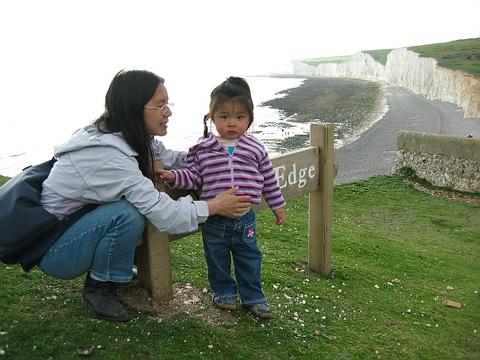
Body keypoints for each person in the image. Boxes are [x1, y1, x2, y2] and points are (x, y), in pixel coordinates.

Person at [38, 70, 252, 322]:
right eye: (160, 106)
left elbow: (172, 159)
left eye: (168, 104)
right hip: (55, 250)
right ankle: (98, 289)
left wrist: (225, 157)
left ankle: (112, 273)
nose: (168, 112)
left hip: (74, 230)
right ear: (134, 109)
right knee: (128, 213)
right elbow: (164, 214)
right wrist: (213, 206)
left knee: (128, 210)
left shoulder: (128, 136)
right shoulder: (110, 156)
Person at [157, 77, 285, 319]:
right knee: (217, 260)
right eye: (224, 116)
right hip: (215, 219)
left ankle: (254, 297)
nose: (232, 123)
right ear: (212, 117)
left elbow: (269, 178)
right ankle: (224, 293)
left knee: (249, 258)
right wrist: (173, 176)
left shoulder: (255, 148)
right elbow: (193, 177)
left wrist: (277, 206)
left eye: (239, 117)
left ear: (249, 119)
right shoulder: (202, 149)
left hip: (245, 218)